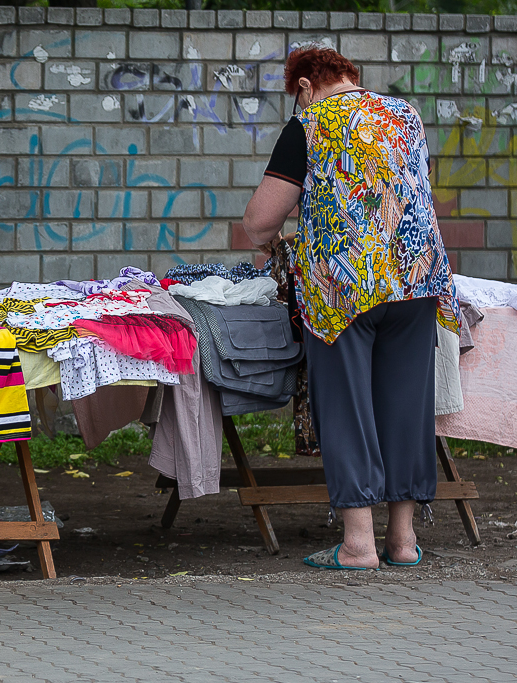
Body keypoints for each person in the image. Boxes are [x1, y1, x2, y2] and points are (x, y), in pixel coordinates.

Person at [242, 48, 460, 570]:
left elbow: (259, 221)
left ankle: (358, 546)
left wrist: (269, 237)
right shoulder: (404, 116)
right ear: (352, 79)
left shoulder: (307, 123)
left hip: (343, 287)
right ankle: (403, 542)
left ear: (303, 87)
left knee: (346, 407)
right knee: (407, 408)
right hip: (417, 277)